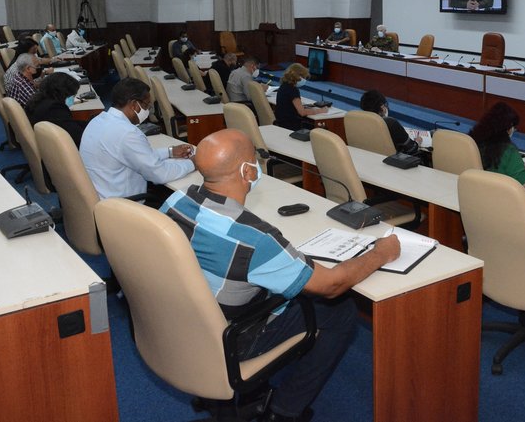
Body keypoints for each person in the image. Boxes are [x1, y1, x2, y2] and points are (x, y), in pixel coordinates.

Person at [160, 128, 400, 422]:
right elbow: (332, 285)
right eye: (255, 161)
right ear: (247, 171)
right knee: (342, 310)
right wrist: (380, 253)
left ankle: (246, 392)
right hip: (233, 338)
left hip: (179, 321)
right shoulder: (255, 238)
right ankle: (285, 410)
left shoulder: (174, 203)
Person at [80, 77, 194, 200]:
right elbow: (160, 174)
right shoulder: (128, 133)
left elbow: (137, 156)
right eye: (146, 105)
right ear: (134, 104)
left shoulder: (97, 121)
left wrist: (170, 152)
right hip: (124, 205)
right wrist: (193, 163)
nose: (147, 111)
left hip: (102, 197)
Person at [469, 102, 525, 192]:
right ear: (509, 127)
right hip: (500, 197)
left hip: (475, 191)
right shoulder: (508, 150)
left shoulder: (472, 141)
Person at [25, 72, 87, 147]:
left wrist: (89, 122)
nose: (73, 98)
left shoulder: (39, 101)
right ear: (63, 92)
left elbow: (67, 123)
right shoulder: (54, 108)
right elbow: (78, 135)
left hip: (46, 145)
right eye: (72, 95)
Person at [360, 90, 421, 155]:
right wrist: (417, 142)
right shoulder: (390, 123)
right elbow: (412, 149)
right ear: (382, 107)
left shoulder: (360, 121)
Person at [274, 63, 327, 131]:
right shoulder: (293, 89)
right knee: (321, 128)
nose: (304, 80)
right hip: (291, 125)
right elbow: (302, 112)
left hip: (282, 122)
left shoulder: (284, 85)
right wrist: (320, 110)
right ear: (298, 76)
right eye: (304, 77)